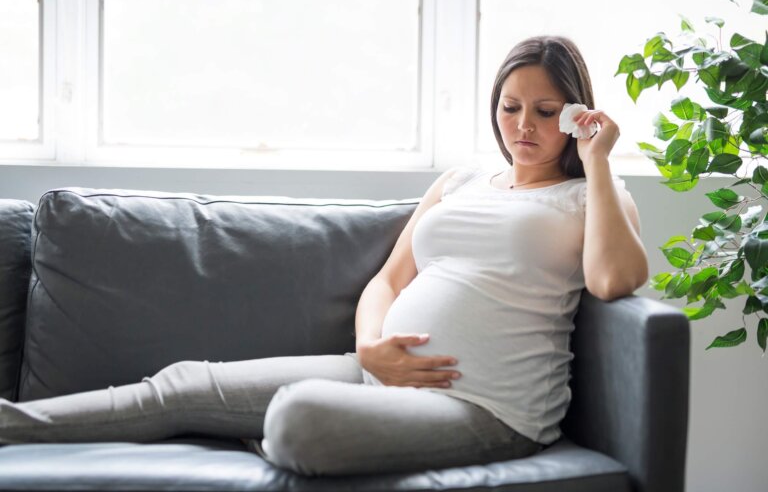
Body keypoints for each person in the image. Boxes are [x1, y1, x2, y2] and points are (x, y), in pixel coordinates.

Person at [0, 35, 648, 477]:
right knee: (185, 382)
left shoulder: (591, 194)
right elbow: (388, 282)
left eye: (544, 111)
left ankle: (286, 431)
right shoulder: (460, 182)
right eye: (510, 108)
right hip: (376, 372)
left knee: (297, 418)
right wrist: (370, 348)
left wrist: (597, 160)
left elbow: (615, 279)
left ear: (576, 115)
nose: (522, 127)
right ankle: (12, 426)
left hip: (484, 407)